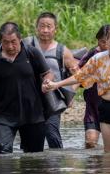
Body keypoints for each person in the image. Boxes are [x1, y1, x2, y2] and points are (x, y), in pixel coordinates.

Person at [0, 22, 54, 154]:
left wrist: (47, 82)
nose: (10, 46)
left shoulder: (32, 52)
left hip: (33, 114)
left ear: (20, 39)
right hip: (3, 114)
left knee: (33, 158)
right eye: (6, 42)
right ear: (1, 41)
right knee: (4, 153)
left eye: (13, 42)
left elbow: (47, 73)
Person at [24, 12, 78, 149]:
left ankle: (56, 167)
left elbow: (78, 76)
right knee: (30, 137)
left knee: (52, 133)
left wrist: (71, 93)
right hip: (28, 100)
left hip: (52, 100)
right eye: (42, 26)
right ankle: (32, 168)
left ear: (56, 29)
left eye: (49, 26)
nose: (45, 30)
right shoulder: (26, 44)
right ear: (36, 28)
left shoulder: (62, 51)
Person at [77, 24, 110, 148]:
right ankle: (93, 166)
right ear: (98, 41)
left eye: (109, 42)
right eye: (102, 42)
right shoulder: (92, 54)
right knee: (90, 142)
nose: (105, 46)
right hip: (93, 106)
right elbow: (78, 74)